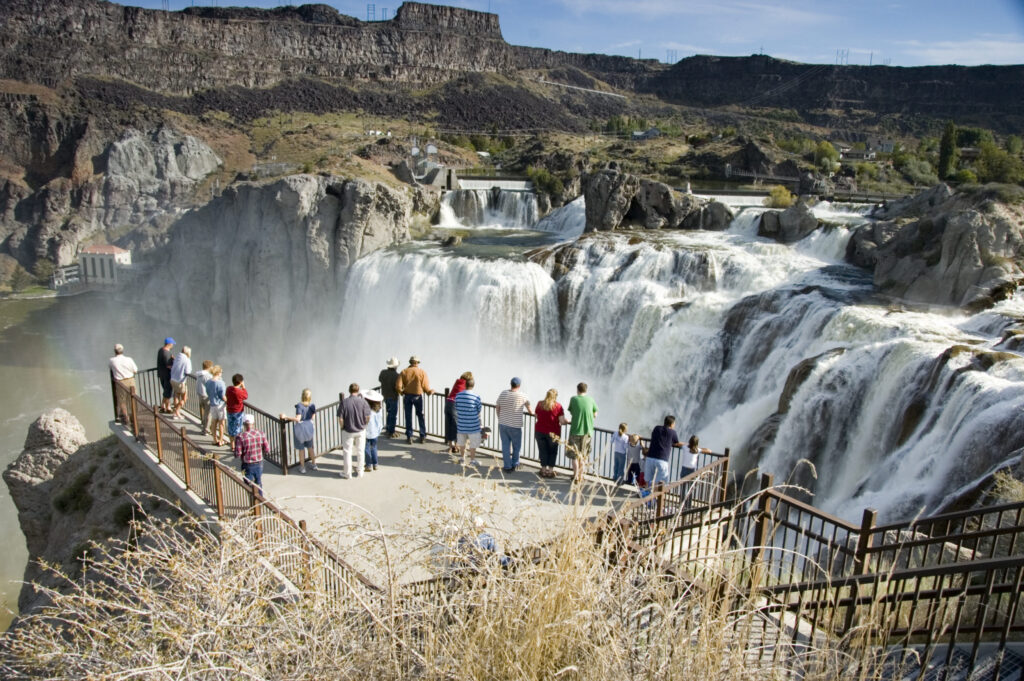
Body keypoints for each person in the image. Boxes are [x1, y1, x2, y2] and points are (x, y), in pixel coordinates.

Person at [495, 377, 533, 473]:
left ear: (510, 384)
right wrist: (533, 413)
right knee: (516, 446)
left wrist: (500, 417)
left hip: (503, 424)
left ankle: (507, 466)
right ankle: (515, 463)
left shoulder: (503, 393)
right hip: (515, 426)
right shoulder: (522, 396)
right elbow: (530, 409)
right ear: (519, 386)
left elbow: (497, 407)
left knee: (505, 445)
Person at [396, 355, 433, 444]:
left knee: (408, 416)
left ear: (410, 362)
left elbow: (398, 386)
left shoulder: (404, 372)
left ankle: (409, 436)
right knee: (420, 416)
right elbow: (425, 386)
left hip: (407, 396)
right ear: (417, 363)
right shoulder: (422, 372)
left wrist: (402, 392)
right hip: (418, 397)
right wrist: (429, 392)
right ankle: (422, 436)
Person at [336, 383, 371, 479]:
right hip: (361, 430)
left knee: (347, 451)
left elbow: (340, 419)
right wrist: (365, 425)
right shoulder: (363, 402)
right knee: (360, 451)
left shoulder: (344, 402)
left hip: (348, 430)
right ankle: (360, 472)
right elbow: (368, 417)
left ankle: (347, 473)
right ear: (358, 391)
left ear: (349, 391)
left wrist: (342, 427)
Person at [566, 382, 598, 484]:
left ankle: (575, 477)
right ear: (586, 390)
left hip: (575, 430)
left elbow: (572, 412)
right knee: (583, 456)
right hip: (587, 432)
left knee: (574, 456)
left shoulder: (574, 399)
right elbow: (595, 414)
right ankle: (581, 476)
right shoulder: (591, 399)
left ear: (577, 390)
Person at [534, 388, 568, 479]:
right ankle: (550, 471)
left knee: (543, 450)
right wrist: (566, 421)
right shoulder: (558, 406)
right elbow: (562, 421)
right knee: (552, 452)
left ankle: (543, 470)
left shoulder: (540, 403)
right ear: (555, 396)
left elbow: (536, 415)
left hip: (539, 431)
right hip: (553, 433)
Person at [281, 389, 317, 473]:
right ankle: (314, 464)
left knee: (301, 449)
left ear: (302, 396)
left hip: (300, 429)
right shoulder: (312, 405)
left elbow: (298, 419)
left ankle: (303, 468)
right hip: (309, 428)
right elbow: (313, 417)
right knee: (310, 447)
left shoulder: (299, 406)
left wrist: (285, 417)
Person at [233, 413, 268, 495]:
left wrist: (235, 452)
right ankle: (260, 501)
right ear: (253, 423)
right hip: (259, 462)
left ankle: (253, 503)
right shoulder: (261, 434)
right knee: (258, 482)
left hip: (247, 464)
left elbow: (238, 454)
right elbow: (267, 449)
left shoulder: (241, 436)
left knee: (248, 484)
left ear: (244, 424)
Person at [645, 415, 683, 489]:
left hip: (650, 458)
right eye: (674, 423)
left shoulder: (656, 428)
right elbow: (676, 443)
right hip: (662, 460)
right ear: (671, 424)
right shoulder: (672, 432)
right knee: (660, 483)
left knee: (648, 481)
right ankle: (655, 499)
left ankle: (646, 497)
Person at [454, 377, 483, 464]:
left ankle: (462, 459)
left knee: (462, 443)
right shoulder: (476, 397)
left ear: (465, 385)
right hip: (473, 425)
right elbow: (479, 409)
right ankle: (472, 460)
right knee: (473, 444)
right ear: (473, 385)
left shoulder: (458, 395)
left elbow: (456, 407)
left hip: (461, 424)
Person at [109, 343, 138, 425]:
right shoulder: (129, 359)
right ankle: (134, 416)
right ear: (122, 351)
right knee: (132, 399)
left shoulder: (112, 360)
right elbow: (135, 370)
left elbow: (110, 367)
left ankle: (126, 417)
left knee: (122, 400)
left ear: (115, 351)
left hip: (120, 382)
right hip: (131, 380)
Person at [445, 371, 472, 453]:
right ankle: (456, 446)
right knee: (457, 426)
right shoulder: (465, 385)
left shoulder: (457, 382)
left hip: (448, 404)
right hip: (454, 405)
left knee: (449, 425)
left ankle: (450, 446)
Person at [378, 357, 400, 439]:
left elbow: (380, 379)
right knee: (393, 415)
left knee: (389, 412)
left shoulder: (383, 372)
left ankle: (388, 429)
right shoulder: (397, 375)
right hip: (393, 397)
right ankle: (391, 432)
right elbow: (398, 386)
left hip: (385, 396)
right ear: (395, 366)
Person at [225, 373, 248, 449]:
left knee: (231, 428)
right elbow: (246, 396)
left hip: (229, 411)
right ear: (241, 382)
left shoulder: (229, 389)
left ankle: (232, 446)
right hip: (238, 413)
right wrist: (243, 387)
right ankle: (238, 447)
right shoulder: (239, 392)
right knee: (238, 430)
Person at [363, 389, 384, 471]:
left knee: (367, 448)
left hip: (367, 432)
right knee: (374, 448)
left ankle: (368, 465)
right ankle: (375, 464)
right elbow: (379, 422)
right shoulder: (379, 410)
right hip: (375, 432)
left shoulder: (367, 411)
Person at [169, 345, 192, 419]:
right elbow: (188, 371)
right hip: (180, 381)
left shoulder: (177, 357)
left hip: (172, 380)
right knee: (185, 398)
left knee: (176, 395)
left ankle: (175, 414)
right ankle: (177, 412)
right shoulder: (187, 360)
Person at [207, 366, 227, 446]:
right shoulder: (220, 383)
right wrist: (227, 401)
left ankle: (214, 439)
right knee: (221, 423)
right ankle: (221, 440)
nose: (222, 374)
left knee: (214, 422)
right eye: (221, 372)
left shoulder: (208, 382)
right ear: (218, 373)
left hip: (212, 404)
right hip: (220, 405)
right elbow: (222, 396)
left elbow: (208, 392)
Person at [194, 360, 213, 435]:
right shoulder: (208, 376)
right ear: (209, 367)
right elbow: (210, 386)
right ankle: (206, 430)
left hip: (200, 395)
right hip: (206, 396)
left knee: (205, 413)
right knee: (208, 414)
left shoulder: (199, 374)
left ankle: (204, 424)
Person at [156, 337, 175, 413]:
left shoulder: (161, 350)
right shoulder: (166, 353)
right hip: (167, 375)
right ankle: (168, 408)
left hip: (161, 374)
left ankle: (163, 406)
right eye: (172, 344)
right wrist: (174, 364)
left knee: (166, 391)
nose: (173, 345)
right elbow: (169, 365)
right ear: (169, 344)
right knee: (168, 392)